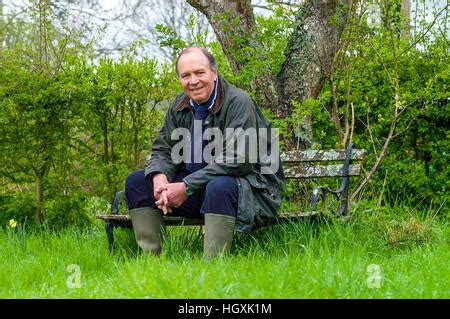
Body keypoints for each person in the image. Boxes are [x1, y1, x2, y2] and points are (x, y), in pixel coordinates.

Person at [124, 46, 285, 258]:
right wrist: (160, 180)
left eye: (200, 73)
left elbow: (239, 161)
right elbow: (163, 149)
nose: (193, 81)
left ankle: (213, 264)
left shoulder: (238, 102)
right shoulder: (179, 106)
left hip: (252, 192)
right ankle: (152, 261)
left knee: (219, 185)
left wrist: (187, 187)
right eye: (186, 75)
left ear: (214, 73)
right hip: (199, 189)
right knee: (137, 181)